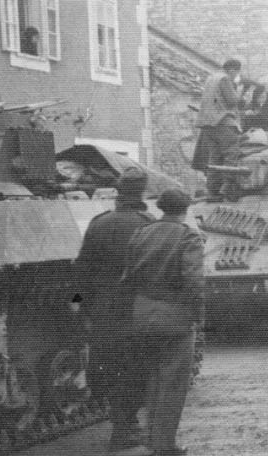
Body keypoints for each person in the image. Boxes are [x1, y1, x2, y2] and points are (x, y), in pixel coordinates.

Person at [74, 167, 155, 455]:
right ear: (142, 191)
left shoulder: (99, 223)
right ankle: (128, 427)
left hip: (104, 310)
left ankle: (121, 427)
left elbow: (82, 271)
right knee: (139, 368)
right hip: (137, 309)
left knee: (110, 367)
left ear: (119, 191)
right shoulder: (148, 225)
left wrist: (78, 305)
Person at [121, 188, 205, 456]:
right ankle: (164, 445)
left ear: (161, 207)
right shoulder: (188, 236)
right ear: (185, 209)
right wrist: (198, 316)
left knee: (153, 380)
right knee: (173, 384)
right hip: (175, 318)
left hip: (142, 314)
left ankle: (150, 439)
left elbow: (127, 278)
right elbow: (194, 281)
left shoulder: (141, 233)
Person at [192, 58, 244, 196]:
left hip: (208, 125)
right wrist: (239, 90)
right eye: (237, 73)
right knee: (231, 153)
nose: (236, 76)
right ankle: (227, 186)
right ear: (232, 70)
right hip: (222, 122)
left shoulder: (211, 78)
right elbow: (232, 101)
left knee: (215, 157)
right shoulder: (224, 79)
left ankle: (212, 188)